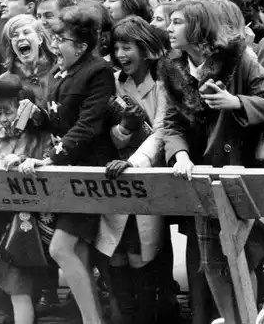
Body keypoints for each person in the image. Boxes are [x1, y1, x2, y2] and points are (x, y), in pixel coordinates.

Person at [156, 0, 264, 321]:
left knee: (240, 260)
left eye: (177, 22)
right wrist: (179, 154)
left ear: (197, 29)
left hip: (241, 173)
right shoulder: (173, 69)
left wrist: (234, 101)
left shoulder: (240, 58)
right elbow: (171, 124)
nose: (169, 28)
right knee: (211, 265)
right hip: (202, 177)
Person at [16, 5, 116, 324]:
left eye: (62, 39)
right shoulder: (65, 72)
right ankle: (91, 317)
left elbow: (88, 125)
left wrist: (51, 159)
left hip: (86, 174)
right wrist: (36, 116)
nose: (55, 44)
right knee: (77, 253)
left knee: (61, 249)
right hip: (67, 173)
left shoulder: (97, 72)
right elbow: (58, 117)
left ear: (82, 46)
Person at [96, 16, 171, 324]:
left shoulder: (164, 83)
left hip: (147, 175)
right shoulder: (115, 82)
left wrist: (135, 161)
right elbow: (111, 132)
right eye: (117, 47)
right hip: (116, 176)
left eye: (127, 47)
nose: (121, 54)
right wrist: (124, 129)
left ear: (144, 48)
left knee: (145, 252)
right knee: (116, 251)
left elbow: (163, 131)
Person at [0, 74, 54, 324]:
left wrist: (28, 162)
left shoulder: (39, 136)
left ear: (25, 108)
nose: (3, 118)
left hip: (22, 224)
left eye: (9, 111)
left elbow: (50, 162)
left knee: (19, 288)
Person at [0, 14, 57, 109]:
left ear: (40, 38)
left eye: (26, 32)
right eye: (15, 35)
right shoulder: (2, 82)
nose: (21, 38)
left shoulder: (59, 72)